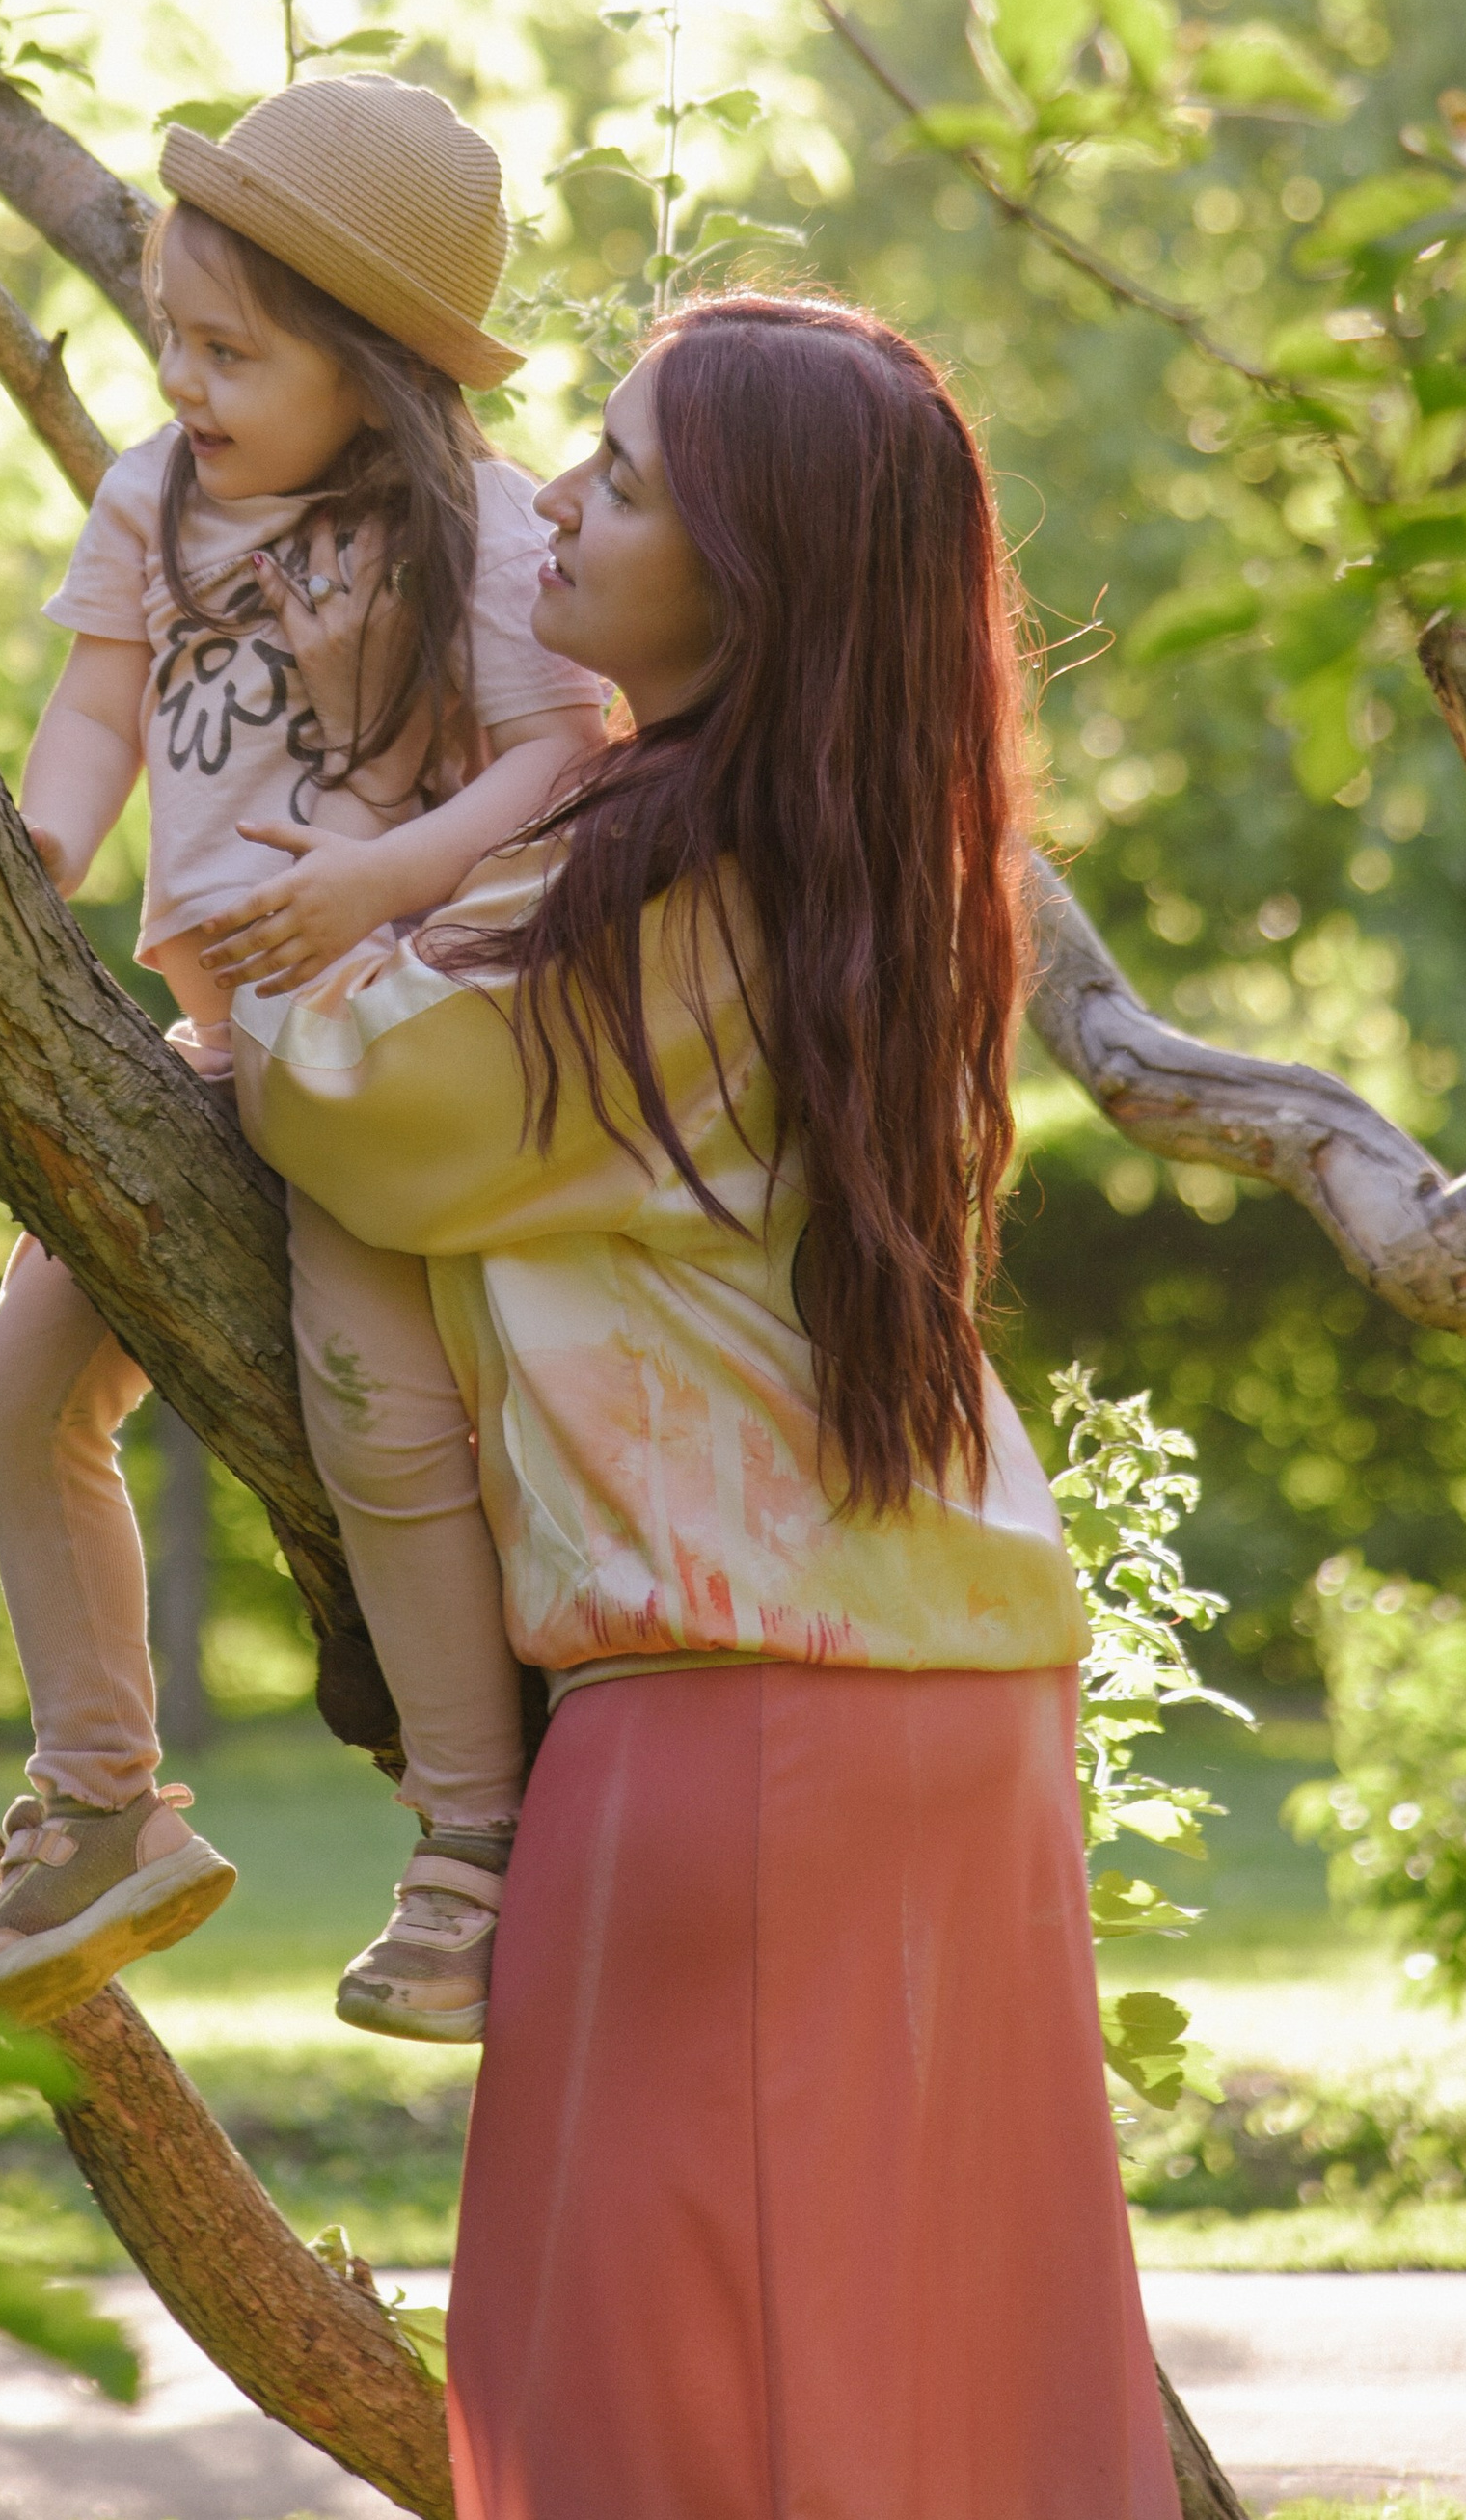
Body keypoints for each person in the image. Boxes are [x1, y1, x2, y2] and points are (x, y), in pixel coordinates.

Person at [233, 291, 1181, 2520]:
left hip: (745, 1713)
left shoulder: (659, 894)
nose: (553, 497)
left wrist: (292, 932)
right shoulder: (870, 871)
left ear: (750, 580)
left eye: (626, 476)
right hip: (930, 1691)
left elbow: (358, 1099)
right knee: (937, 2377)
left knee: (671, 2399)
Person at [0, 74, 609, 2030]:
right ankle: (96, 1802)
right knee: (14, 1385)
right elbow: (93, 709)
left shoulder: (475, 533)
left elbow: (566, 757)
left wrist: (377, 876)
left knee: (379, 1417)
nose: (187, 380)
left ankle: (469, 1847)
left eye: (232, 350)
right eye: (175, 336)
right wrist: (36, 848)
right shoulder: (150, 492)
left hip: (380, 1065)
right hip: (214, 1052)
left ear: (371, 363)